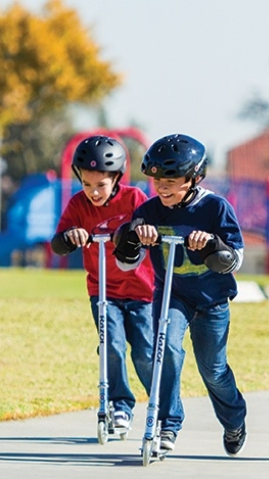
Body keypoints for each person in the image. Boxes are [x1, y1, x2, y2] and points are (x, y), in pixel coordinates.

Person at [112, 134, 248, 456]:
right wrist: (133, 239)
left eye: (171, 180)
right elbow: (125, 264)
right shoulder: (149, 212)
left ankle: (234, 420)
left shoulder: (215, 208)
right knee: (166, 350)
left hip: (212, 301)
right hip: (172, 295)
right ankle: (167, 424)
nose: (162, 186)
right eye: (157, 179)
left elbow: (235, 260)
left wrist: (213, 245)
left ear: (194, 177)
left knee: (213, 371)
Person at [50, 135, 154, 432]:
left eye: (100, 185)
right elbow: (59, 243)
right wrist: (71, 237)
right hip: (103, 291)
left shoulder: (134, 199)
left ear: (117, 179)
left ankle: (159, 402)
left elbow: (151, 229)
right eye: (86, 185)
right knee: (112, 345)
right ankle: (120, 406)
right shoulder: (78, 205)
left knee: (145, 351)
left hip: (142, 291)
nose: (93, 192)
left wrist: (139, 231)